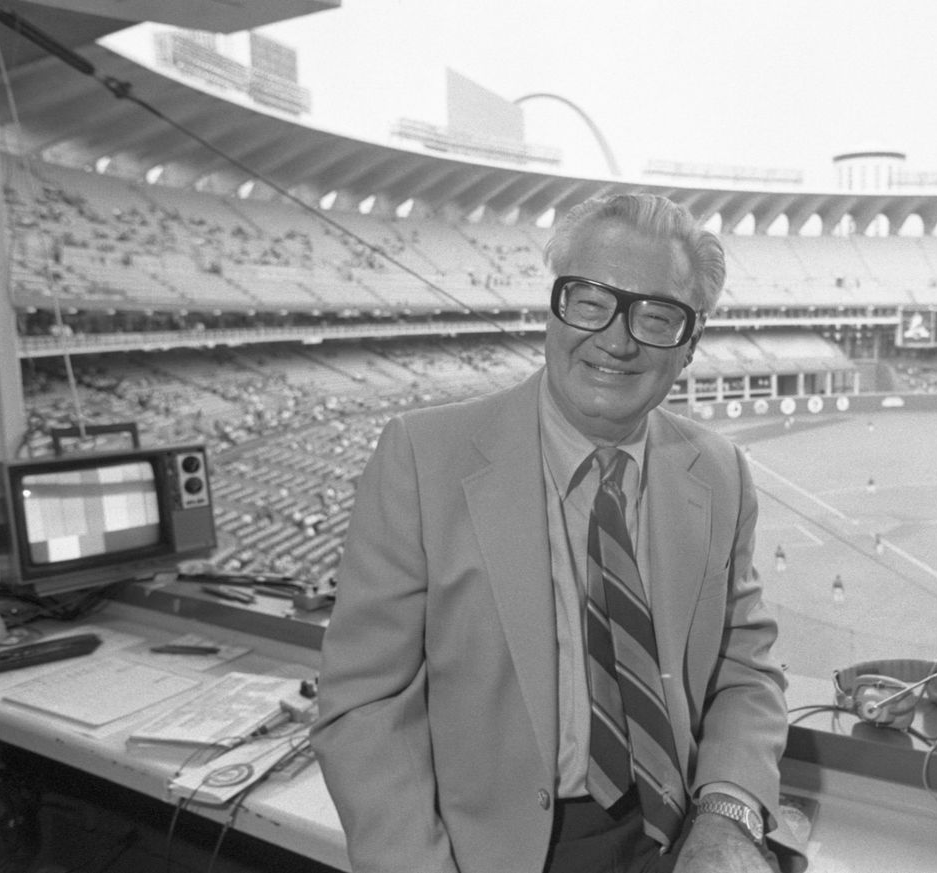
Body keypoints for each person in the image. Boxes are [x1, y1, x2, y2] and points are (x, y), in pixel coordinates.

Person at [312, 194, 797, 873]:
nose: (618, 339)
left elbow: (745, 670)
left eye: (657, 315)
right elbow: (363, 706)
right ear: (552, 309)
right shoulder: (422, 458)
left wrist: (729, 812)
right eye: (591, 300)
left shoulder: (719, 472)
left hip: (679, 834)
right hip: (494, 852)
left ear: (689, 346)